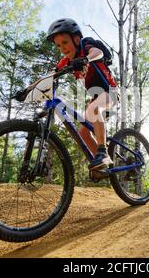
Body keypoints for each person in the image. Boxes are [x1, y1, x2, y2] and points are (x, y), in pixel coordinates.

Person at [46, 18, 118, 180]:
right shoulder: (66, 61)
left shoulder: (86, 46)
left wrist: (86, 59)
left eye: (65, 43)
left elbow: (97, 53)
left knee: (92, 110)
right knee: (83, 133)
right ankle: (100, 165)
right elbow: (51, 75)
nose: (62, 48)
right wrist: (30, 88)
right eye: (58, 46)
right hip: (95, 96)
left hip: (110, 91)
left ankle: (103, 152)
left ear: (76, 39)